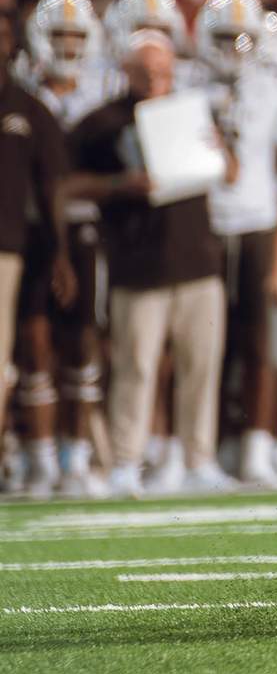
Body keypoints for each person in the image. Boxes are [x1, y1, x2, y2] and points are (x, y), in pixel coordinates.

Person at [64, 33, 230, 495]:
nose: (156, 78)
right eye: (146, 70)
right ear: (126, 71)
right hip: (138, 265)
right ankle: (125, 461)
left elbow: (230, 173)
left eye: (163, 69)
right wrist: (120, 183)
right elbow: (68, 184)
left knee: (202, 365)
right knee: (136, 366)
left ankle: (200, 458)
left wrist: (217, 148)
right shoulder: (100, 123)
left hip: (198, 260)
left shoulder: (193, 111)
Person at [197, 0, 277, 485]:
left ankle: (258, 446)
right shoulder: (188, 83)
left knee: (263, 342)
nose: (232, 47)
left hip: (260, 221)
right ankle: (211, 442)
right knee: (207, 341)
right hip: (206, 223)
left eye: (243, 37)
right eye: (223, 37)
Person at [16, 0, 111, 495]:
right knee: (33, 342)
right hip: (30, 229)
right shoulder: (23, 94)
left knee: (82, 341)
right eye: (60, 34)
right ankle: (40, 458)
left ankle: (76, 458)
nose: (69, 44)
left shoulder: (104, 92)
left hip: (86, 228)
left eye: (77, 34)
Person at [1, 7, 69, 494]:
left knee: (7, 356)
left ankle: (22, 456)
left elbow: (53, 188)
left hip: (7, 250)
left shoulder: (26, 107)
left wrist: (61, 251)